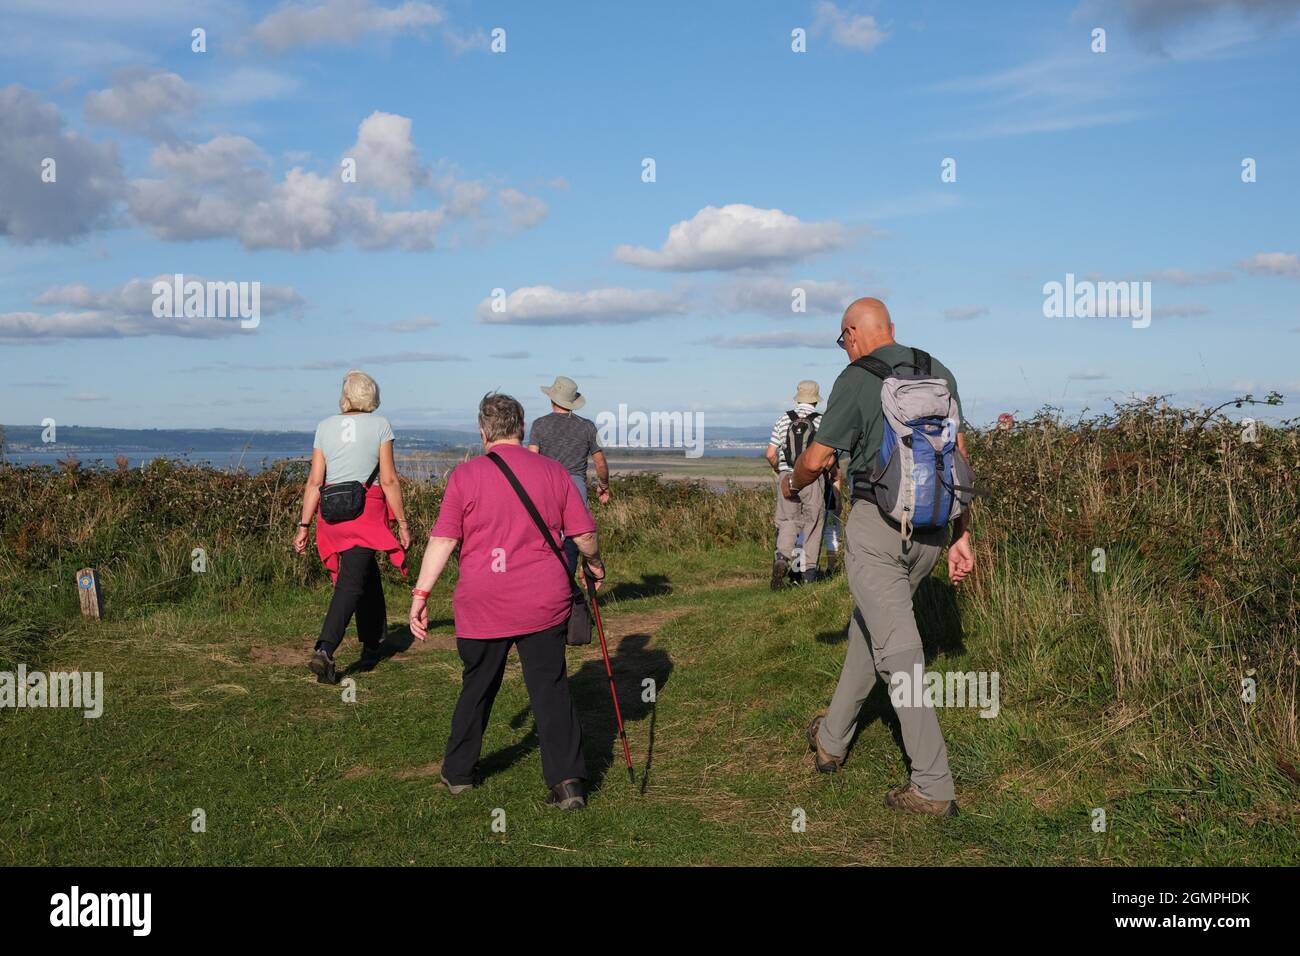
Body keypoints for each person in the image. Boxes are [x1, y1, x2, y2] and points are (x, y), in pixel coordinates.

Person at [784, 297, 975, 817]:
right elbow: (957, 456)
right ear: (889, 328)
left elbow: (818, 457)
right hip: (933, 531)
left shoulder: (856, 377)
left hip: (878, 528)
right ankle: (831, 740)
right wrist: (962, 533)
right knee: (869, 634)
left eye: (842, 339)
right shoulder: (937, 371)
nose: (844, 347)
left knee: (899, 653)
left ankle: (933, 786)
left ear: (852, 334)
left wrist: (792, 483)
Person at [409, 392, 605, 810]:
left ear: (483, 431)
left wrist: (421, 593)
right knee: (550, 688)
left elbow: (444, 539)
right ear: (520, 428)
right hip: (543, 599)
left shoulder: (465, 477)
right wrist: (596, 565)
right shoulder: (553, 472)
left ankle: (459, 773)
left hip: (483, 602)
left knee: (477, 684)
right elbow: (584, 536)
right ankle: (568, 783)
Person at [294, 370, 410, 684]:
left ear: (346, 396)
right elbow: (388, 480)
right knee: (351, 582)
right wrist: (401, 522)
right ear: (372, 396)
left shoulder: (324, 426)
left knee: (363, 569)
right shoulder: (381, 425)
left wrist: (303, 525)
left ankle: (373, 641)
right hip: (366, 513)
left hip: (331, 515)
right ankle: (325, 650)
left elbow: (315, 482)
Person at [528, 375, 610, 570]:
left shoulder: (539, 424)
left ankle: (554, 582)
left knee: (546, 535)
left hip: (546, 485)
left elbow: (531, 459)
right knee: (578, 536)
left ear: (552, 398)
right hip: (576, 485)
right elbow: (600, 463)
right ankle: (576, 578)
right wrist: (604, 485)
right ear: (572, 401)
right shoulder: (586, 426)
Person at [765, 380, 833, 588]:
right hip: (812, 478)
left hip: (787, 476)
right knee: (813, 523)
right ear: (816, 399)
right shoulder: (823, 421)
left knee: (788, 521)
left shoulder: (783, 419)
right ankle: (808, 574)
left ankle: (782, 558)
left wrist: (780, 471)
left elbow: (770, 454)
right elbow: (829, 458)